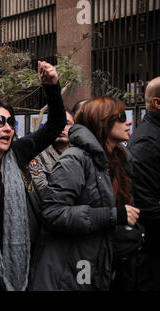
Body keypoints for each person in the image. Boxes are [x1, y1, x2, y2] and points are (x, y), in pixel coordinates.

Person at [0, 61, 66, 291]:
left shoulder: (19, 153)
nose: (8, 128)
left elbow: (55, 124)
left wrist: (51, 86)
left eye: (10, 122)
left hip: (21, 269)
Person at [29, 97, 141, 291]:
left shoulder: (118, 160)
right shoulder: (75, 159)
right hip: (70, 269)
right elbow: (53, 213)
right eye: (121, 117)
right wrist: (112, 215)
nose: (129, 121)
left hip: (98, 263)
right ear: (102, 121)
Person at [128, 76, 160, 290]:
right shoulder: (146, 142)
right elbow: (145, 202)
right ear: (157, 103)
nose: (127, 123)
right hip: (153, 250)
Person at [28, 110, 75, 190]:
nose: (61, 127)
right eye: (57, 123)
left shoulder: (81, 154)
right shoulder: (37, 153)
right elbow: (41, 187)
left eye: (66, 124)